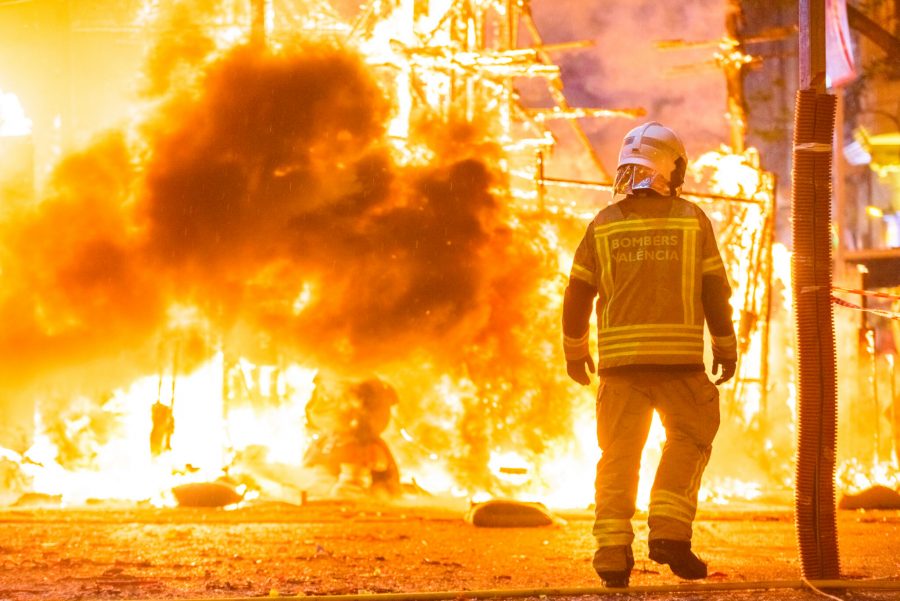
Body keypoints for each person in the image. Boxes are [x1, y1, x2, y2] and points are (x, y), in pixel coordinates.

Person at [562, 122, 737, 588]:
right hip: (679, 364)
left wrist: (574, 350)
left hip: (620, 369)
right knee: (689, 437)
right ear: (669, 168)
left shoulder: (603, 225)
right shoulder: (691, 219)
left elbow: (576, 294)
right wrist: (725, 345)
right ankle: (670, 534)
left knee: (618, 455)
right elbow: (714, 290)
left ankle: (612, 552)